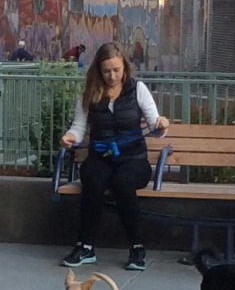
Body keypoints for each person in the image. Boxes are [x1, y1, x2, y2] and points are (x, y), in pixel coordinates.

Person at [58, 42, 168, 271]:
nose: (112, 76)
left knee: (123, 183)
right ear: (98, 70)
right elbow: (78, 128)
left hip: (134, 160)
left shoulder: (138, 89)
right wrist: (70, 137)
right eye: (106, 70)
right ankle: (85, 246)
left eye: (117, 70)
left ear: (125, 68)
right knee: (93, 180)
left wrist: (161, 124)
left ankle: (137, 247)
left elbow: (155, 126)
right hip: (100, 158)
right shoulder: (89, 93)